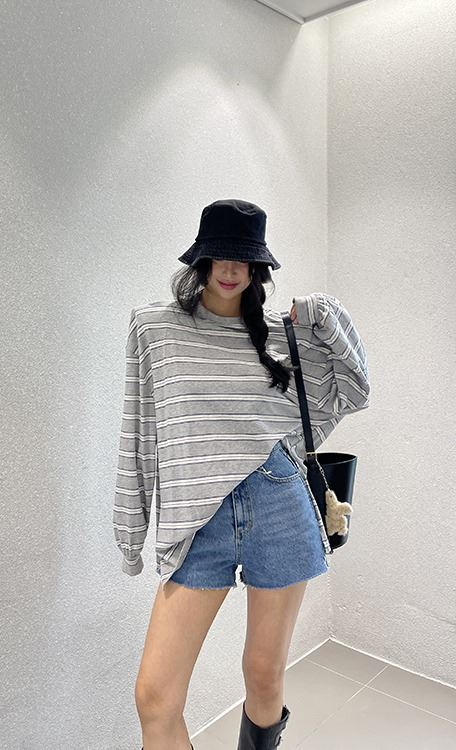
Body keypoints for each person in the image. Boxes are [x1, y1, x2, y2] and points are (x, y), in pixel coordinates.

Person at [112, 199, 371, 750]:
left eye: (244, 258)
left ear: (259, 267)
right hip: (196, 521)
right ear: (200, 260)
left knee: (263, 674)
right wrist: (131, 531)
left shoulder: (285, 335)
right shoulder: (155, 328)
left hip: (279, 504)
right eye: (219, 256)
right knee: (155, 698)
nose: (230, 269)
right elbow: (140, 431)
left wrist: (326, 314)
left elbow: (355, 388)